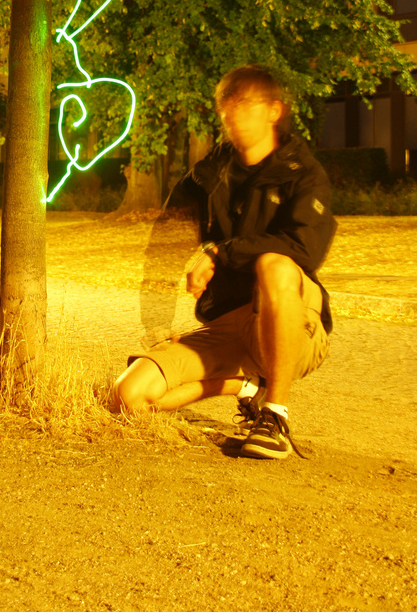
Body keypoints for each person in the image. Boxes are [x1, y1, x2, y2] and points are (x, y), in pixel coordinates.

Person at [113, 65, 335, 459]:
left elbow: (303, 249)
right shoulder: (208, 175)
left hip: (294, 322)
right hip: (230, 324)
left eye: (245, 103)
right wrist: (158, 327)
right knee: (128, 396)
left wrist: (220, 252)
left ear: (274, 111)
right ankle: (245, 388)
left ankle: (275, 415)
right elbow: (163, 246)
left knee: (275, 263)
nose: (234, 114)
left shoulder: (303, 174)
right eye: (226, 106)